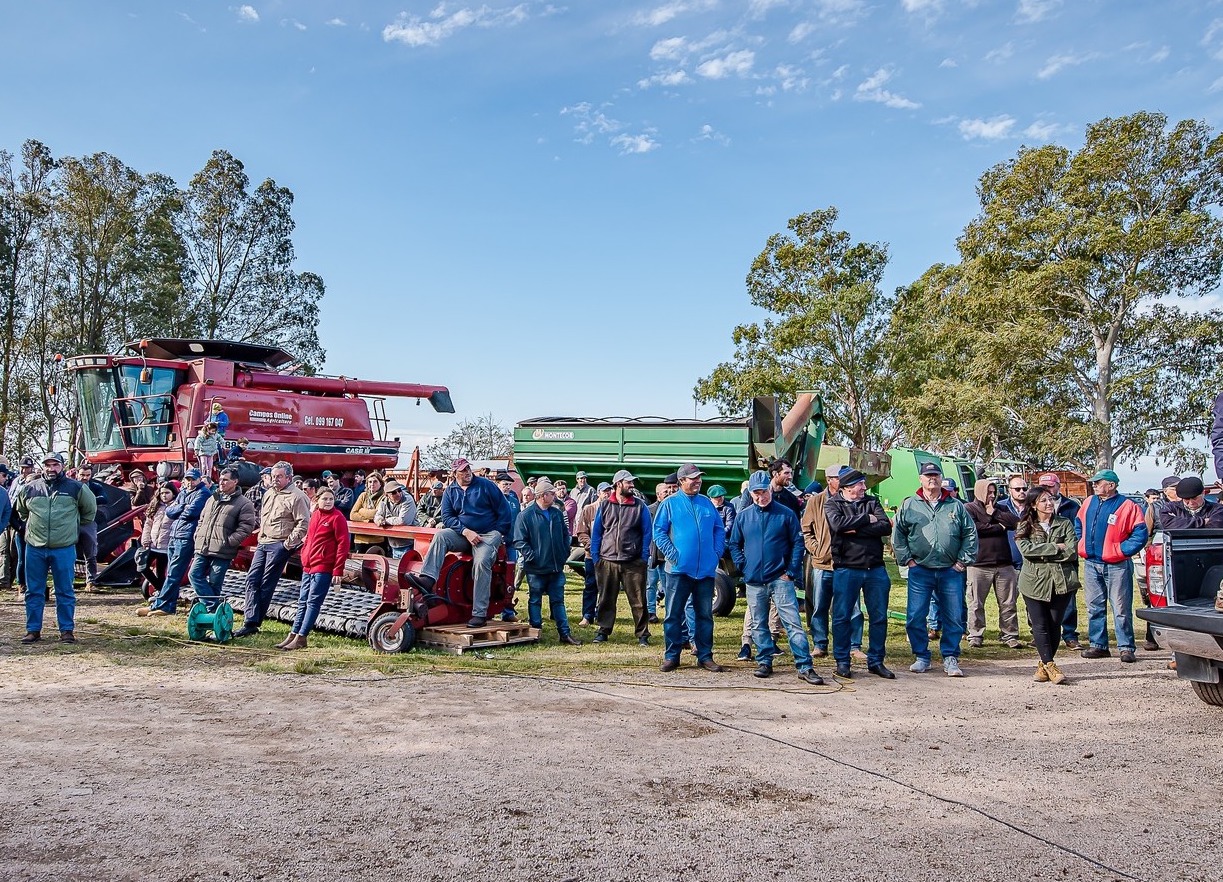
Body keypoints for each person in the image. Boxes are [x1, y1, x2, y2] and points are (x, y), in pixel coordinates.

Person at [729, 472, 824, 685]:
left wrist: (791, 571)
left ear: (769, 489)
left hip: (781, 578)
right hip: (754, 580)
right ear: (750, 493)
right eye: (756, 493)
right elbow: (734, 543)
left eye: (763, 492)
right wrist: (743, 565)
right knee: (758, 624)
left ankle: (805, 665)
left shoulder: (786, 514)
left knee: (792, 623)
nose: (760, 497)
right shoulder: (743, 516)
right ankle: (764, 661)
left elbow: (798, 544)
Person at [405, 458, 513, 628]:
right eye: (462, 470)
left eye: (468, 469)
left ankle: (479, 613)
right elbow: (447, 517)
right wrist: (465, 531)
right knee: (441, 536)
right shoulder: (450, 491)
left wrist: (498, 533)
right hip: (465, 533)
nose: (467, 473)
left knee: (482, 562)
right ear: (454, 473)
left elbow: (505, 511)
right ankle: (428, 578)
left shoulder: (486, 486)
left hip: (488, 533)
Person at [894, 461, 978, 677]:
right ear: (921, 479)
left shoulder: (956, 506)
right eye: (928, 475)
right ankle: (922, 656)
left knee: (954, 615)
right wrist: (908, 560)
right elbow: (899, 535)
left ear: (941, 479)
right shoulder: (909, 505)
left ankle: (950, 657)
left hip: (951, 571)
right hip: (920, 570)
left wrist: (962, 562)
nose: (932, 478)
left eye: (936, 475)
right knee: (915, 616)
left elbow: (970, 534)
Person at [15, 452, 97, 644]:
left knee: (65, 590)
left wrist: (70, 528)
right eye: (48, 465)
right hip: (35, 547)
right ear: (43, 467)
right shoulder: (30, 488)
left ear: (63, 466)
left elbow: (89, 513)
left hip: (64, 547)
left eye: (55, 465)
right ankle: (32, 630)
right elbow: (22, 511)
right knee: (33, 591)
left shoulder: (77, 488)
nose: (51, 469)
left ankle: (66, 631)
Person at [653, 463, 726, 672]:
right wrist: (673, 555)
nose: (698, 481)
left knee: (704, 615)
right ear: (681, 481)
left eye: (699, 477)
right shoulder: (669, 504)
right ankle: (672, 656)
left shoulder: (706, 503)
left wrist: (716, 553)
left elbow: (718, 530)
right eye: (693, 478)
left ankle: (705, 656)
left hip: (705, 571)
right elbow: (658, 532)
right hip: (678, 571)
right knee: (673, 614)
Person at [823, 468, 895, 679]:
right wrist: (866, 519)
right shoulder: (833, 503)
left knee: (879, 616)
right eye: (860, 484)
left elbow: (885, 527)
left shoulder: (872, 502)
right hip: (846, 568)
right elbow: (837, 525)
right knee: (842, 616)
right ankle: (843, 661)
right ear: (847, 487)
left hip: (875, 568)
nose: (864, 487)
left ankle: (876, 661)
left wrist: (854, 527)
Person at [1076, 469, 1148, 664]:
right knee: (1094, 606)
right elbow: (1078, 523)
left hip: (1117, 564)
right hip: (1091, 562)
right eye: (1094, 482)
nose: (1094, 485)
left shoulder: (1128, 506)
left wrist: (1121, 550)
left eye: (1099, 482)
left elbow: (1140, 533)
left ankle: (1126, 647)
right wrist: (1081, 542)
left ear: (1112, 485)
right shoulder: (1088, 502)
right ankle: (1098, 645)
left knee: (1121, 607)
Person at [235, 461, 311, 638]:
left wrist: (287, 544)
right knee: (252, 579)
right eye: (273, 476)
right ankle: (251, 619)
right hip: (264, 541)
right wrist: (261, 534)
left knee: (267, 583)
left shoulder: (297, 497)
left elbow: (303, 523)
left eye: (279, 476)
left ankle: (252, 621)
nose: (275, 480)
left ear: (288, 477)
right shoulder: (269, 493)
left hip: (279, 543)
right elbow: (263, 516)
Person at [1016, 486, 1080, 685]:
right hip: (1033, 582)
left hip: (1061, 581)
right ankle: (1050, 664)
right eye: (1043, 500)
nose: (1049, 503)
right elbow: (1026, 550)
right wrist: (1054, 547)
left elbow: (1071, 550)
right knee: (1040, 624)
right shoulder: (1024, 525)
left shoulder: (1065, 523)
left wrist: (1043, 553)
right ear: (1034, 505)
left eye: (1051, 499)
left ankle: (1044, 665)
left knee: (1054, 624)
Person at [801, 466, 865, 662]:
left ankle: (854, 645)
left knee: (853, 606)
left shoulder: (855, 500)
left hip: (849, 562)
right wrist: (816, 549)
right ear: (830, 480)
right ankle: (820, 643)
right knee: (819, 605)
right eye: (840, 478)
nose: (845, 481)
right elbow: (806, 528)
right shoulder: (816, 501)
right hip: (822, 562)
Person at [512, 478, 581, 645]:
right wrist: (533, 557)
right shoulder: (525, 516)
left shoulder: (557, 513)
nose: (555, 496)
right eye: (552, 494)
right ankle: (535, 633)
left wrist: (563, 552)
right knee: (535, 600)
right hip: (536, 568)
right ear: (543, 496)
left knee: (558, 600)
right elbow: (519, 540)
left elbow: (566, 535)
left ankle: (564, 634)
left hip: (556, 566)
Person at [279, 487, 349, 650]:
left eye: (331, 499)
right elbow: (309, 537)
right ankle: (294, 633)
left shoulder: (337, 518)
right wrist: (304, 554)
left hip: (323, 566)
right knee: (302, 600)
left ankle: (302, 636)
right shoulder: (316, 515)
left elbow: (343, 544)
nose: (329, 502)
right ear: (317, 500)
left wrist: (338, 569)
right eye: (325, 499)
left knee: (313, 602)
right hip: (308, 565)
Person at [590, 469, 652, 645]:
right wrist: (596, 557)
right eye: (628, 482)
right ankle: (603, 631)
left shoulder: (640, 506)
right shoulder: (604, 506)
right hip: (607, 560)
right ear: (618, 484)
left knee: (639, 600)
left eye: (632, 482)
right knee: (605, 599)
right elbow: (597, 533)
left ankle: (642, 635)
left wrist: (643, 557)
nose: (632, 485)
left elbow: (647, 533)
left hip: (633, 562)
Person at [186, 467, 257, 612]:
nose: (221, 482)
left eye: (226, 480)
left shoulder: (244, 503)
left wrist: (229, 541)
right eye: (220, 479)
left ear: (235, 481)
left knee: (215, 582)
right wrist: (198, 533)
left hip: (222, 550)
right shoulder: (213, 498)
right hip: (203, 547)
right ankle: (214, 608)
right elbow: (202, 519)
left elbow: (247, 527)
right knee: (194, 575)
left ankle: (210, 616)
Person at [142, 468, 211, 616]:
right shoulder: (185, 493)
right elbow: (170, 512)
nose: (190, 482)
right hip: (175, 534)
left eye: (193, 479)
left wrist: (180, 508)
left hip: (186, 536)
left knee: (174, 573)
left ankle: (163, 605)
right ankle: (166, 604)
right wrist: (182, 508)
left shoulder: (203, 493)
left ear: (199, 480)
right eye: (187, 479)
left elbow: (191, 513)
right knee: (170, 573)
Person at [964, 478, 1023, 649]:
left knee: (1008, 602)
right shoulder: (969, 508)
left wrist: (994, 513)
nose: (991, 496)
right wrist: (999, 527)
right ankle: (975, 634)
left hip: (1004, 563)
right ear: (979, 491)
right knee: (976, 603)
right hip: (979, 564)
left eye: (993, 492)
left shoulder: (1001, 508)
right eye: (988, 492)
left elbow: (1015, 523)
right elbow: (975, 529)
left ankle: (1009, 634)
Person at [1035, 472, 1083, 649]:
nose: (1048, 489)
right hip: (1042, 565)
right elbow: (1032, 543)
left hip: (1066, 564)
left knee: (1068, 601)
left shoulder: (1071, 506)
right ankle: (1041, 635)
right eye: (1044, 486)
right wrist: (1054, 547)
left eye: (1051, 486)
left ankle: (1070, 634)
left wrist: (1059, 550)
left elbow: (1075, 537)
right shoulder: (1033, 508)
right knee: (1039, 600)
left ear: (1058, 486)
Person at [573, 482, 611, 627]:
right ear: (598, 493)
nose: (607, 494)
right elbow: (582, 532)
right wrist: (593, 547)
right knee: (590, 585)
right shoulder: (589, 510)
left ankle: (602, 616)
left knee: (606, 587)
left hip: (609, 557)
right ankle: (587, 615)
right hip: (592, 556)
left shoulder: (614, 509)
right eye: (604, 491)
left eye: (609, 491)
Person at [137, 483, 176, 598]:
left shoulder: (176, 507)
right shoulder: (155, 506)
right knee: (143, 566)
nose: (164, 495)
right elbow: (148, 524)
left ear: (173, 494)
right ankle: (162, 591)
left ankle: (162, 594)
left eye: (167, 493)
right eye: (162, 493)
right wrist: (146, 539)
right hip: (153, 544)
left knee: (160, 572)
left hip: (165, 545)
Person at [75, 462, 109, 592]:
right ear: (77, 474)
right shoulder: (71, 486)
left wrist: (87, 499)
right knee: (68, 552)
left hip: (89, 522)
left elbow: (104, 498)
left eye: (88, 475)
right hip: (72, 522)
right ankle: (65, 581)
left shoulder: (95, 486)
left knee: (91, 553)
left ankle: (91, 581)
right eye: (82, 474)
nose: (85, 477)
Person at [374, 479, 418, 559]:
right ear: (387, 495)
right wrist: (379, 520)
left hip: (409, 543)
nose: (398, 494)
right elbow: (377, 516)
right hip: (393, 543)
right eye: (394, 492)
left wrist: (386, 520)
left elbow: (403, 521)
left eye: (399, 490)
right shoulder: (384, 501)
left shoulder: (408, 500)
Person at [1159, 476, 1223, 529]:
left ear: (1203, 493)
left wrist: (1181, 522)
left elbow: (1217, 524)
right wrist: (1203, 522)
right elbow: (1168, 524)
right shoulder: (1170, 508)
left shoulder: (1218, 509)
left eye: (1195, 498)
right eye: (1186, 499)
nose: (1191, 502)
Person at [349, 470, 388, 554]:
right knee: (359, 566)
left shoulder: (384, 497)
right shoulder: (363, 495)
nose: (372, 484)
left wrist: (361, 511)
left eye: (375, 481)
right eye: (370, 482)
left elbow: (377, 513)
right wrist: (366, 520)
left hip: (377, 539)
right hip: (360, 539)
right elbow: (352, 514)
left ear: (380, 483)